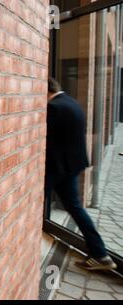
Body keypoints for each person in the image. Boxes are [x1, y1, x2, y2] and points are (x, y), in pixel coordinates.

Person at [45, 78, 117, 271]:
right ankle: (100, 254)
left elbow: (43, 136)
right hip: (71, 165)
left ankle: (100, 254)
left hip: (57, 168)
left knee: (32, 202)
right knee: (76, 208)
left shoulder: (55, 107)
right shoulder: (71, 102)